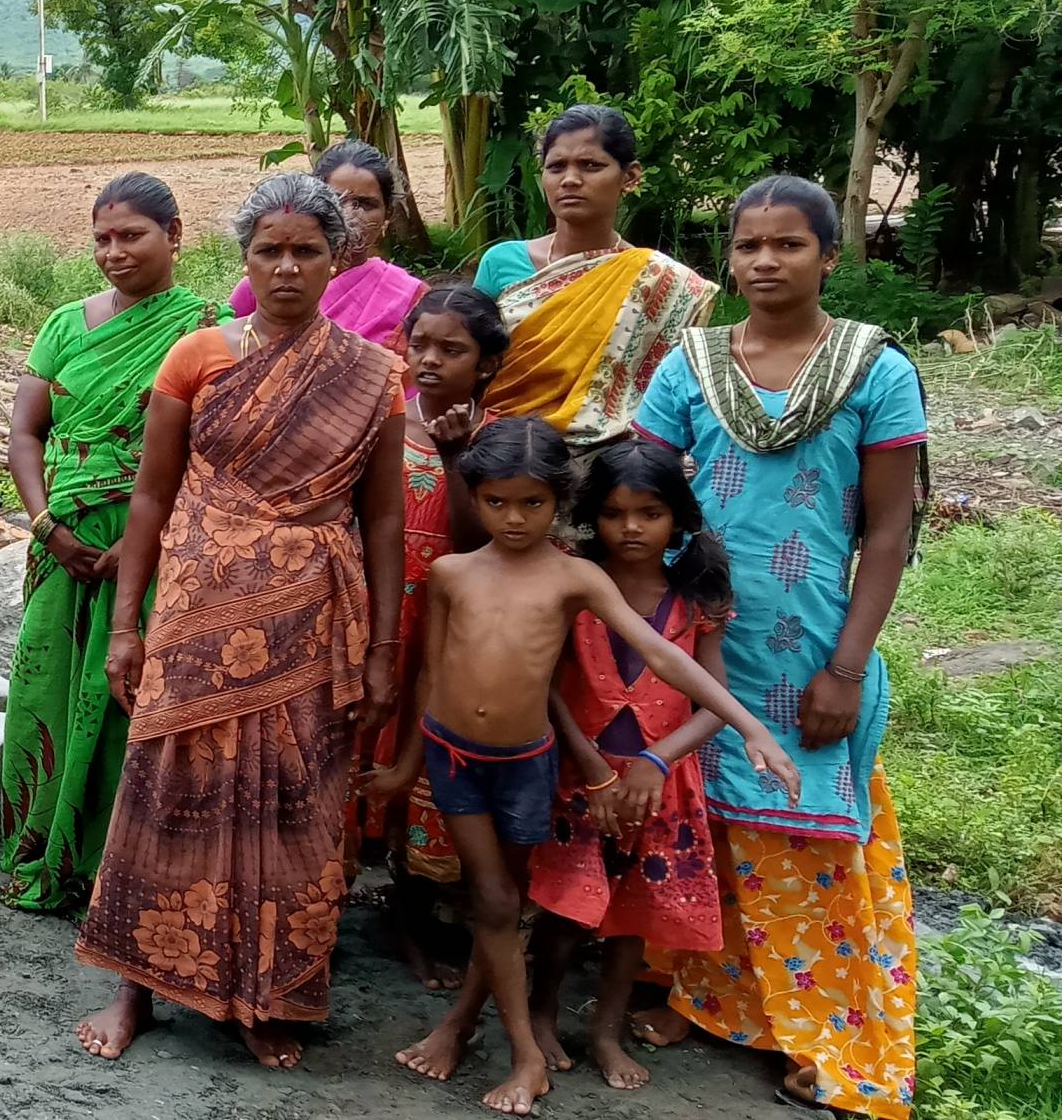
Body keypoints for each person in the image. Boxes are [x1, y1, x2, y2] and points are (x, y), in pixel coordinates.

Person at [73, 173, 406, 1070]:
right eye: (270, 251)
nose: (288, 267)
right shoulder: (198, 355)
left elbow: (381, 518)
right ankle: (137, 985)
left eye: (306, 251)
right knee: (165, 784)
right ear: (244, 259)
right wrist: (127, 628)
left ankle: (264, 993)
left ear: (337, 259)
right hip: (195, 607)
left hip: (309, 617)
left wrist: (383, 647)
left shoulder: (373, 375)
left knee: (291, 800)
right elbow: (151, 498)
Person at [374, 417, 793, 1116]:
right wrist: (401, 767)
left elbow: (664, 655)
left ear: (559, 504)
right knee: (495, 901)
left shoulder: (576, 578)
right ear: (473, 498)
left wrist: (752, 728)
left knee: (509, 901)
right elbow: (427, 677)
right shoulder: (451, 573)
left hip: (527, 764)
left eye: (533, 503)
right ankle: (521, 1052)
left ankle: (511, 1049)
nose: (514, 518)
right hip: (453, 757)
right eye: (497, 502)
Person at [630, 175, 927, 1118]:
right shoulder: (693, 364)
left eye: (789, 245)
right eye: (749, 244)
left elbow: (887, 532)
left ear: (830, 256)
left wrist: (846, 667)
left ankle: (824, 1029)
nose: (765, 261)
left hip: (810, 649)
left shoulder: (874, 370)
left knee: (803, 833)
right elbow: (644, 487)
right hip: (700, 632)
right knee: (699, 816)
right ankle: (704, 995)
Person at [0, 173, 224, 915]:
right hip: (58, 539)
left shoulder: (206, 330)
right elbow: (26, 435)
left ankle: (111, 862)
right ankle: (42, 843)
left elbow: (207, 453)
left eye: (132, 235)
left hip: (150, 543)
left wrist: (140, 543)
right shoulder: (65, 325)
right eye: (102, 238)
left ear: (176, 235)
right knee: (48, 686)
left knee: (126, 694)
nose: (114, 252)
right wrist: (46, 528)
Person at [525, 438, 739, 1092]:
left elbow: (715, 700)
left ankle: (606, 1030)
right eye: (616, 514)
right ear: (595, 517)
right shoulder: (573, 582)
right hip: (581, 778)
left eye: (650, 513)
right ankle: (539, 1013)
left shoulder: (697, 599)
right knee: (566, 909)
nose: (632, 528)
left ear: (678, 516)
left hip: (660, 785)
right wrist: (592, 764)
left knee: (631, 918)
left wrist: (656, 758)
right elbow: (551, 687)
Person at [365, 284, 511, 991]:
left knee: (423, 763)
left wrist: (458, 459)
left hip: (449, 629)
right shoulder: (382, 419)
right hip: (374, 614)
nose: (428, 360)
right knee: (363, 751)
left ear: (486, 364)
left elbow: (482, 538)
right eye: (418, 344)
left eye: (451, 350)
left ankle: (412, 910)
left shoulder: (502, 439)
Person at [473, 105, 718, 452]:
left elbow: (671, 395)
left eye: (590, 166)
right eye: (556, 167)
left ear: (630, 177)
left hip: (610, 461)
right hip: (502, 451)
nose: (570, 179)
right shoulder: (502, 261)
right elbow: (469, 363)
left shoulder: (660, 282)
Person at [228, 140, 426, 348]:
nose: (350, 214)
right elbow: (224, 355)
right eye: (338, 199)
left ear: (388, 214)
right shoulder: (265, 283)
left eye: (365, 204)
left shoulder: (407, 296)